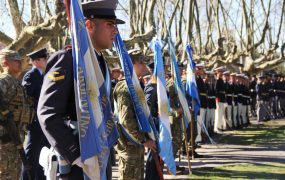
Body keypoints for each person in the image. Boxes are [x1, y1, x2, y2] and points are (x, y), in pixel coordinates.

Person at [37, 0, 124, 179]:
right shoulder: (67, 59)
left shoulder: (101, 62)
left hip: (100, 155)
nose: (115, 30)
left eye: (115, 25)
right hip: (78, 163)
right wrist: (76, 155)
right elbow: (48, 113)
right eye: (109, 24)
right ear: (88, 25)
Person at [114, 52, 156, 180]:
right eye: (141, 62)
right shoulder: (125, 86)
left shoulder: (134, 85)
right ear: (131, 64)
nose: (144, 66)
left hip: (135, 146)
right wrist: (143, 140)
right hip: (129, 146)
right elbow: (126, 120)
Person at [0, 49, 33, 180]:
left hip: (16, 138)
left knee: (14, 174)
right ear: (5, 62)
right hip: (5, 140)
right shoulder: (4, 81)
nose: (20, 63)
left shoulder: (17, 83)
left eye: (20, 61)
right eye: (16, 60)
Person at [21, 48, 50, 180]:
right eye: (44, 59)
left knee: (43, 156)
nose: (46, 61)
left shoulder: (43, 75)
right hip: (35, 122)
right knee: (31, 156)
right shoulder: (31, 75)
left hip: (44, 122)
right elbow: (25, 98)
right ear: (37, 61)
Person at [214, 67, 226, 132]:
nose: (221, 73)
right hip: (219, 100)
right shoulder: (217, 81)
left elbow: (223, 91)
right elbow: (216, 92)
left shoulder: (221, 81)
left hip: (222, 99)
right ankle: (217, 127)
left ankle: (220, 126)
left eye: (221, 72)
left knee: (221, 114)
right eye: (220, 72)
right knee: (218, 114)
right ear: (217, 73)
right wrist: (217, 101)